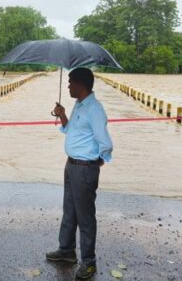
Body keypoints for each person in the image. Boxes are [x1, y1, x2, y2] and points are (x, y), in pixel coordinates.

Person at [46, 67, 113, 280]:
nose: (68, 86)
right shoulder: (79, 104)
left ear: (80, 84)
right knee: (70, 210)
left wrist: (98, 160)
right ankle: (66, 250)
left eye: (70, 82)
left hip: (84, 168)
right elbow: (72, 131)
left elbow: (106, 142)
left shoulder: (94, 109)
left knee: (85, 217)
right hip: (72, 165)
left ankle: (89, 262)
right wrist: (63, 115)